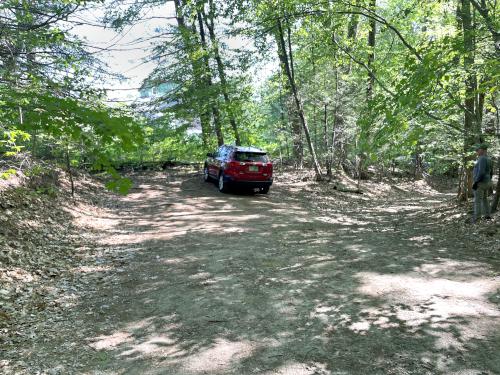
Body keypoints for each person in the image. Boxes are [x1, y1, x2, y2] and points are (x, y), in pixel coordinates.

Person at [472, 143, 493, 223]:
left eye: (478, 150)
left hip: (480, 183)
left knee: (477, 201)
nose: (476, 151)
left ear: (483, 150)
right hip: (487, 182)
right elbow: (491, 172)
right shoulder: (489, 159)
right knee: (484, 199)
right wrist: (489, 180)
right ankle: (487, 216)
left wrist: (476, 182)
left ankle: (477, 218)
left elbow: (481, 172)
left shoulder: (482, 158)